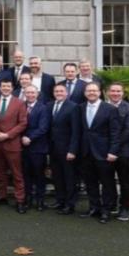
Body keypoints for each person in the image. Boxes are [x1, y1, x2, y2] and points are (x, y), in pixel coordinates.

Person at [78, 82, 120, 224]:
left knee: (107, 183)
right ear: (85, 93)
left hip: (104, 152)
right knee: (90, 182)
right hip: (86, 152)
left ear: (100, 92)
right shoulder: (81, 108)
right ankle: (94, 207)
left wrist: (113, 151)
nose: (91, 93)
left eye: (94, 90)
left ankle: (106, 210)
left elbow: (115, 132)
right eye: (89, 91)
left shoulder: (110, 109)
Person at [0, 79, 29, 213]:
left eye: (8, 86)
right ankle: (2, 195)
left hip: (12, 144)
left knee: (17, 173)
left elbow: (23, 123)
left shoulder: (19, 103)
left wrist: (7, 135)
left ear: (12, 88)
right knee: (0, 172)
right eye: (3, 86)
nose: (5, 88)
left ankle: (20, 200)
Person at [48, 84, 81, 215]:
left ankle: (70, 204)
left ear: (66, 93)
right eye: (56, 91)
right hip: (53, 148)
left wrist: (72, 150)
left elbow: (76, 131)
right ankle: (60, 200)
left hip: (67, 149)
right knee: (57, 176)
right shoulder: (50, 105)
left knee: (69, 177)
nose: (59, 93)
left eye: (61, 91)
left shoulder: (73, 107)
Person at [106, 82, 129, 221]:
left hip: (122, 151)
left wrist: (114, 148)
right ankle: (111, 204)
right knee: (108, 180)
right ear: (108, 92)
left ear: (123, 93)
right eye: (113, 91)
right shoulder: (103, 107)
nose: (115, 93)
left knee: (124, 180)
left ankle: (125, 208)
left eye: (118, 91)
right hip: (105, 151)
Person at [21, 85, 51, 211]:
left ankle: (40, 200)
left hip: (38, 147)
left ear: (37, 94)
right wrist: (22, 137)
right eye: (27, 93)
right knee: (26, 175)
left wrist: (30, 138)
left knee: (39, 175)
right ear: (24, 94)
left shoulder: (43, 108)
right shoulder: (21, 106)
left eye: (32, 93)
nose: (30, 95)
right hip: (23, 146)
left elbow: (43, 128)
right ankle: (27, 199)